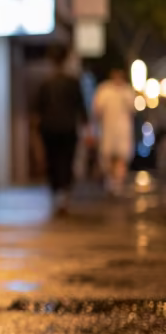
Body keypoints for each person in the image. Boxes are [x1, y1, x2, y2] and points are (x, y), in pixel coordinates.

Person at [32, 44, 88, 215]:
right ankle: (63, 196)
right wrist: (86, 127)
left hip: (49, 128)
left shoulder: (45, 84)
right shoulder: (73, 83)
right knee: (66, 161)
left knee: (53, 161)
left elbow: (37, 110)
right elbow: (82, 109)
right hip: (68, 128)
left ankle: (57, 194)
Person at [91, 66, 137, 194]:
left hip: (123, 130)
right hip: (107, 129)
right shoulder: (104, 90)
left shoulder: (127, 91)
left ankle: (117, 183)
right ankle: (111, 181)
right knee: (108, 157)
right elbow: (97, 109)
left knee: (122, 156)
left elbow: (133, 108)